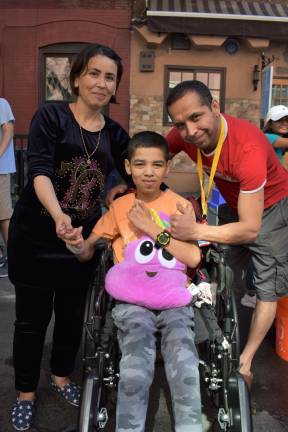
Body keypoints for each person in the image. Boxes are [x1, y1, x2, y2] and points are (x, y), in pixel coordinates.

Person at [8, 43, 130, 431]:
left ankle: (61, 376)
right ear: (77, 79)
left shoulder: (115, 133)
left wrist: (117, 189)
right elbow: (39, 170)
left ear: (115, 87)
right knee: (31, 320)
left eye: (109, 77)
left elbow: (131, 171)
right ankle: (25, 391)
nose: (101, 82)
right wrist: (59, 217)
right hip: (37, 237)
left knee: (72, 317)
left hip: (81, 243)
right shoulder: (52, 117)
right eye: (93, 73)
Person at [63, 131, 203, 432]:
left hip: (172, 301)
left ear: (167, 167)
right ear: (128, 167)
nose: (149, 172)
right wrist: (75, 244)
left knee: (185, 362)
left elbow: (193, 258)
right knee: (135, 366)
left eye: (156, 164)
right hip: (132, 303)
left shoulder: (180, 206)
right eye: (140, 164)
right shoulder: (119, 207)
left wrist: (153, 230)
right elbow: (88, 250)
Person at [165, 80, 288, 390]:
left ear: (216, 108)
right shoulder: (182, 136)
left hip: (274, 210)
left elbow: (251, 228)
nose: (190, 131)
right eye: (180, 124)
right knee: (220, 272)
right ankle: (216, 333)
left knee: (267, 287)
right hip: (236, 206)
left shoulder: (246, 146)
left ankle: (245, 362)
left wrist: (196, 230)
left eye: (197, 117)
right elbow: (151, 155)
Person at [0, 97, 16, 278]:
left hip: (1, 171)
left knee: (3, 215)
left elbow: (9, 130)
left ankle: (12, 258)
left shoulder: (2, 103)